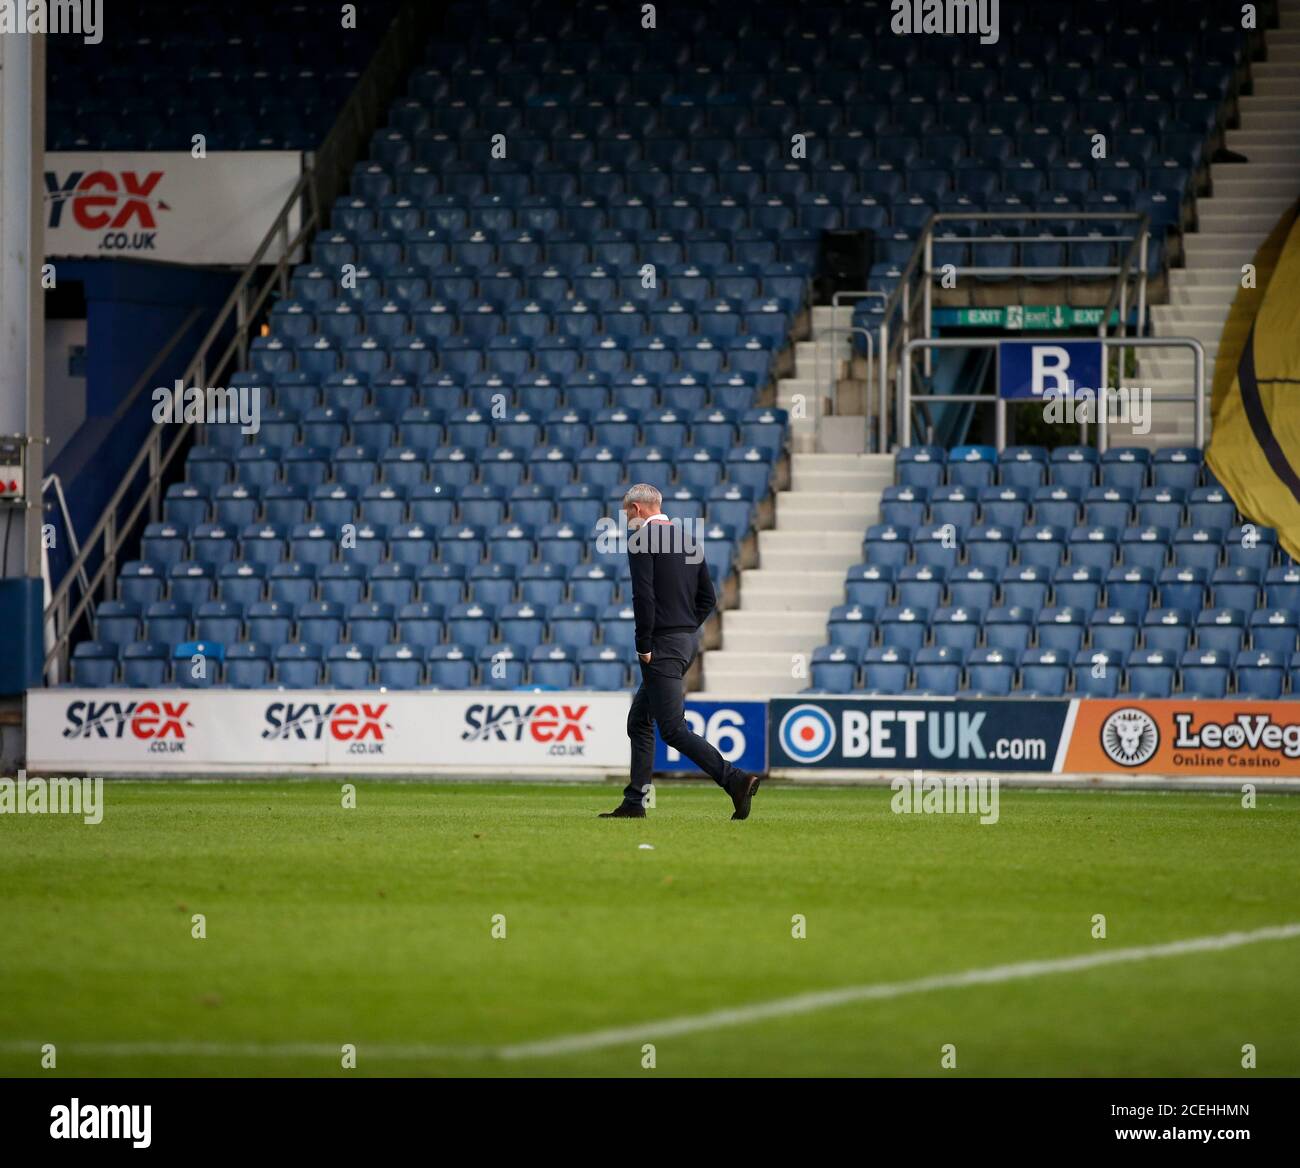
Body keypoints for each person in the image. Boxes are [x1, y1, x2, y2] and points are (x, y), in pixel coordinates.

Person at [599, 483, 762, 820]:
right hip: (684, 642)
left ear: (637, 510)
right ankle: (634, 802)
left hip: (661, 645)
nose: (626, 519)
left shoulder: (641, 539)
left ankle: (735, 779)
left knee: (672, 729)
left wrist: (644, 643)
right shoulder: (688, 540)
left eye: (626, 512)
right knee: (640, 721)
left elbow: (643, 597)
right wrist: (686, 627)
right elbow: (709, 599)